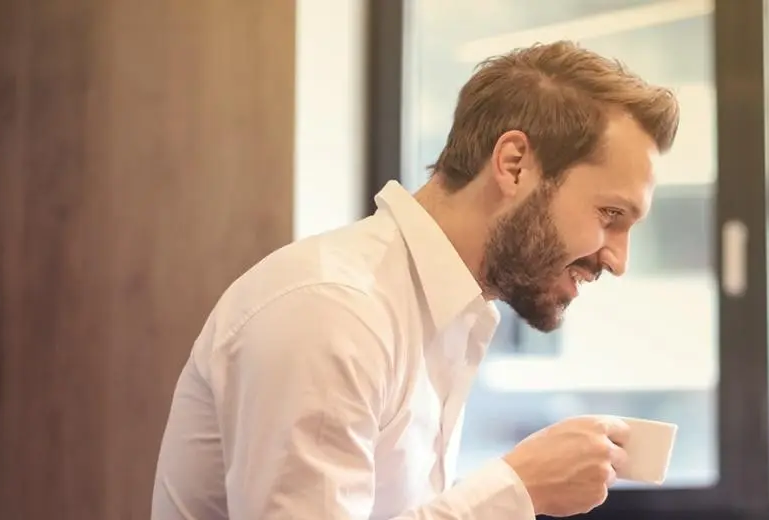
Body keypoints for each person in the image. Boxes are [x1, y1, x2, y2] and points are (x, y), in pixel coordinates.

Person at [150, 40, 680, 520]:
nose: (618, 259)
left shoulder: (445, 317)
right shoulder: (333, 310)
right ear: (514, 165)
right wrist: (517, 488)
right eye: (610, 214)